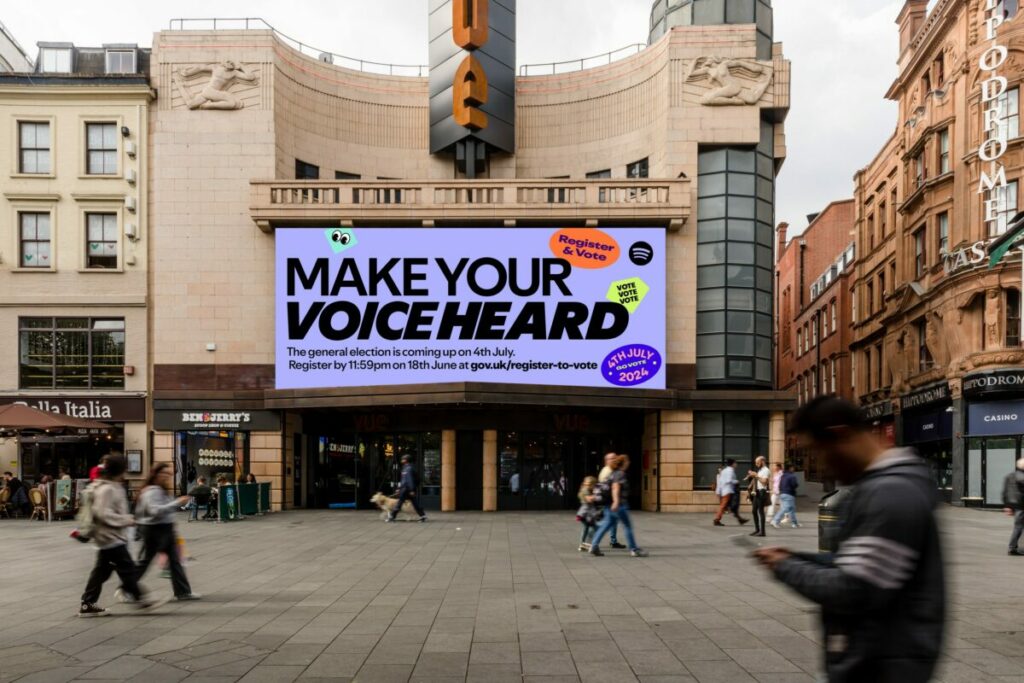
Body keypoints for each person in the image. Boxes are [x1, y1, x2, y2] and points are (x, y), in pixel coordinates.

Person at [753, 396, 944, 683]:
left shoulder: (890, 494)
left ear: (840, 435)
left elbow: (853, 590)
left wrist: (785, 567)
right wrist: (798, 558)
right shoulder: (882, 486)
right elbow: (859, 566)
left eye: (817, 452)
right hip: (876, 660)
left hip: (882, 668)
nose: (822, 465)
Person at [79, 453, 161, 617]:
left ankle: (88, 603)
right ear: (120, 470)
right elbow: (103, 514)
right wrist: (126, 520)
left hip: (110, 537)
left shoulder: (111, 486)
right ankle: (141, 598)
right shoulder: (107, 488)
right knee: (127, 569)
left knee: (102, 571)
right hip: (110, 537)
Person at [133, 463, 200, 601]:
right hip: (154, 530)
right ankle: (127, 588)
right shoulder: (152, 491)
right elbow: (154, 511)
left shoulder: (159, 489)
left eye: (168, 474)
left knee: (174, 561)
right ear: (155, 474)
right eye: (163, 473)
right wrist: (177, 503)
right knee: (145, 561)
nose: (166, 476)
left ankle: (183, 592)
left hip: (164, 529)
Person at [589, 455, 646, 557]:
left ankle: (594, 546)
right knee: (627, 526)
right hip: (619, 505)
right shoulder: (620, 474)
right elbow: (615, 487)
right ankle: (634, 549)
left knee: (606, 525)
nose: (628, 463)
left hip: (609, 505)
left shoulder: (612, 473)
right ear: (623, 463)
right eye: (627, 461)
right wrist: (616, 501)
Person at [598, 452, 627, 549]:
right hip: (610, 502)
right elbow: (611, 487)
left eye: (615, 457)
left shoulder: (611, 470)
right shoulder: (608, 471)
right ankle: (596, 542)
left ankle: (612, 540)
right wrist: (615, 501)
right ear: (607, 460)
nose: (615, 460)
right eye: (612, 458)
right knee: (607, 523)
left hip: (610, 501)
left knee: (610, 522)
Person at [387, 455, 427, 523]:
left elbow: (409, 480)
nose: (402, 459)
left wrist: (411, 489)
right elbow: (404, 480)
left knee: (399, 503)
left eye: (403, 459)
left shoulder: (408, 468)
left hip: (406, 489)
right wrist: (399, 488)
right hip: (407, 489)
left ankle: (392, 517)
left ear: (406, 460)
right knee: (415, 503)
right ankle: (422, 516)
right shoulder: (408, 467)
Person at [713, 459, 748, 526]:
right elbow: (729, 480)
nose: (736, 464)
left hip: (724, 491)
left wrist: (718, 491)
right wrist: (736, 481)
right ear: (733, 464)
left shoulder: (724, 470)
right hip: (728, 491)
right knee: (724, 506)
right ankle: (717, 519)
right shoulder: (730, 470)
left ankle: (740, 519)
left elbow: (720, 481)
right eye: (735, 463)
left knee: (732, 506)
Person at [1002, 457, 1024, 555]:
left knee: (1018, 526)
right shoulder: (1022, 477)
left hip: (1015, 505)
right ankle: (1012, 548)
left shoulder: (1010, 476)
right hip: (1021, 505)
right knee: (1018, 527)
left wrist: (1007, 506)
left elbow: (1005, 492)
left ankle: (1013, 547)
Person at [746, 456, 770, 537]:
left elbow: (764, 482)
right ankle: (757, 530)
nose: (756, 464)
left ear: (762, 461)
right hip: (757, 492)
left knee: (761, 511)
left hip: (762, 492)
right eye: (756, 463)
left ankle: (762, 532)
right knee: (754, 511)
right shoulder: (760, 470)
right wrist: (752, 475)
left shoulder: (766, 470)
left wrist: (756, 475)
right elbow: (757, 479)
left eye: (758, 463)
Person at [770, 464, 801, 529]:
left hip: (783, 493)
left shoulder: (783, 476)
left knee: (791, 509)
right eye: (792, 468)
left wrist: (781, 491)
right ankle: (775, 520)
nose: (793, 469)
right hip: (789, 494)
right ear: (790, 468)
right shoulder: (792, 476)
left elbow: (779, 485)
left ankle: (795, 523)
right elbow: (795, 485)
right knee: (785, 508)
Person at [576, 476, 600, 552]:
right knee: (593, 528)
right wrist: (597, 495)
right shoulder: (585, 490)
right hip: (585, 514)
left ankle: (583, 544)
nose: (594, 487)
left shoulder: (586, 489)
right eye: (594, 485)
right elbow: (589, 499)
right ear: (591, 484)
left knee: (586, 529)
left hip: (586, 514)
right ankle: (585, 544)